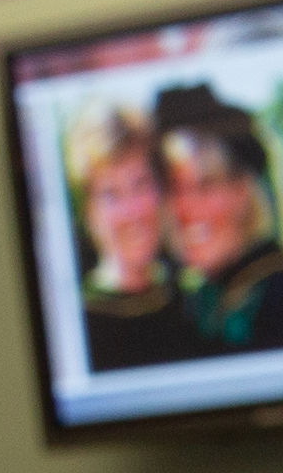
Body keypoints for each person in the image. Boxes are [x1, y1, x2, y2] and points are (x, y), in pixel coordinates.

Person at [155, 81, 283, 353]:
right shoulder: (206, 294)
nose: (186, 207)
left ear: (241, 191)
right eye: (175, 188)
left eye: (204, 186)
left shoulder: (281, 297)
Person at [71, 104, 193, 368]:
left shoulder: (190, 299)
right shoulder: (79, 323)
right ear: (89, 214)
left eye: (141, 184)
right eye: (111, 195)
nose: (133, 211)